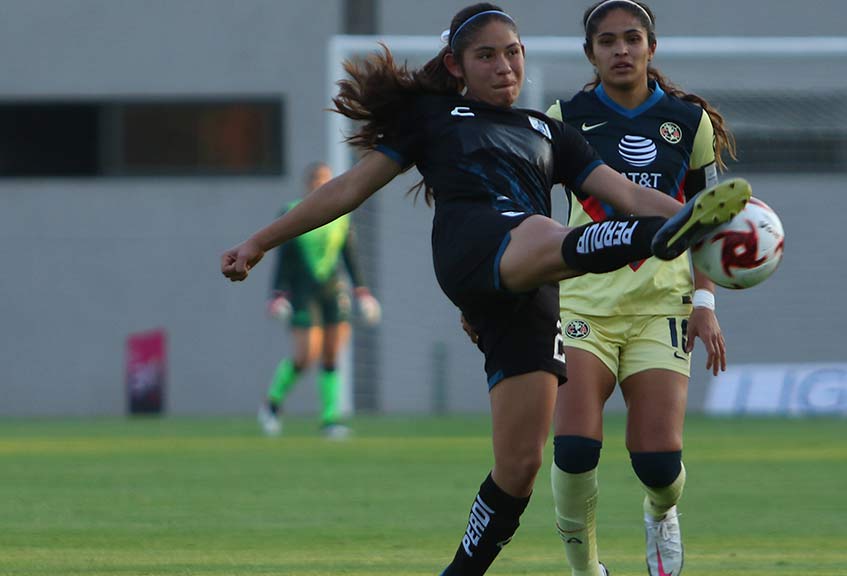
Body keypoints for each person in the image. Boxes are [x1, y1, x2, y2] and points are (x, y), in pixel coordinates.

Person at [221, 4, 749, 574]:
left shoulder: (552, 133)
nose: (505, 66)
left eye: (513, 52)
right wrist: (259, 242)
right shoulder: (434, 117)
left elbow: (629, 193)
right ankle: (657, 240)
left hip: (528, 288)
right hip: (475, 244)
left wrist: (712, 220)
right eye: (487, 55)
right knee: (550, 231)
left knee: (519, 467)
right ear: (456, 65)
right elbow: (347, 189)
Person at [545, 2, 737, 575]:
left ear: (652, 47)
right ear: (590, 54)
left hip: (662, 308)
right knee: (575, 449)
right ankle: (586, 570)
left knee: (657, 462)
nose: (621, 50)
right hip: (582, 303)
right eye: (607, 42)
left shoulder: (689, 121)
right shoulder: (564, 117)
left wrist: (705, 302)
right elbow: (535, 215)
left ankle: (661, 512)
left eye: (632, 39)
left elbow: (707, 220)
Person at [257, 162, 381, 439]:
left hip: (332, 290)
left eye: (325, 179)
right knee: (305, 356)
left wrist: (362, 291)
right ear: (307, 184)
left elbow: (350, 255)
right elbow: (283, 258)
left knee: (332, 352)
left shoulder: (341, 216)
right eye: (315, 179)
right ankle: (272, 405)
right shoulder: (291, 212)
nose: (320, 184)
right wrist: (276, 295)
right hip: (302, 292)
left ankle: (330, 418)